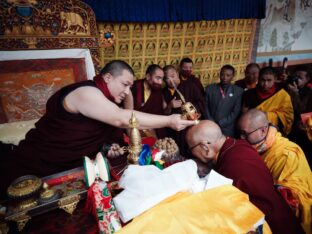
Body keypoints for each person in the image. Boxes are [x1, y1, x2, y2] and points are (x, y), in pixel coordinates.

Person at [0, 60, 196, 198]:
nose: (128, 91)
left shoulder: (106, 102)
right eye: (125, 84)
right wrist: (169, 120)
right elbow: (122, 119)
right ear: (108, 77)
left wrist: (106, 147)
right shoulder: (86, 92)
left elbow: (113, 127)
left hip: (71, 168)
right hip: (36, 161)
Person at [185, 120, 304, 234]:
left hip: (273, 225)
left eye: (192, 149)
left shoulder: (229, 169)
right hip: (282, 211)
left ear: (205, 147)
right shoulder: (239, 144)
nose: (193, 154)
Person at [237, 109, 312, 233]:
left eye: (245, 134)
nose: (241, 137)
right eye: (240, 133)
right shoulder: (258, 147)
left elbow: (293, 197)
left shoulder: (286, 154)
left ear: (263, 131)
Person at [162, 65, 207, 156]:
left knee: (193, 151)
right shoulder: (164, 92)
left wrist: (190, 108)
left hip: (191, 126)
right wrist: (170, 105)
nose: (171, 80)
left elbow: (201, 103)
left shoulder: (190, 86)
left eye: (173, 76)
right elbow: (164, 113)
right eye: (167, 78)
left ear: (178, 74)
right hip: (175, 130)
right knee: (177, 153)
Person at [242, 66, 294, 136]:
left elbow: (288, 117)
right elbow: (245, 113)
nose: (265, 84)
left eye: (269, 80)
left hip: (274, 131)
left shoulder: (283, 95)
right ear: (259, 79)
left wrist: (265, 115)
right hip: (253, 131)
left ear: (275, 79)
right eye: (262, 80)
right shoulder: (249, 93)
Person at [124, 64, 166, 138]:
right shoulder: (134, 87)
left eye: (162, 79)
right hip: (134, 125)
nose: (160, 82)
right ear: (148, 76)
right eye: (158, 78)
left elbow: (159, 112)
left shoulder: (158, 91)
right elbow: (127, 114)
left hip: (151, 126)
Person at [205, 64, 243, 137]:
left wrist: (221, 123)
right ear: (219, 75)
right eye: (222, 74)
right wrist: (211, 121)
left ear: (232, 77)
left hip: (228, 129)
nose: (224, 77)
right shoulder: (210, 89)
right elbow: (205, 106)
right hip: (210, 125)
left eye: (228, 75)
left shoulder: (238, 91)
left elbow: (235, 112)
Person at [286, 65, 312, 167]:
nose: (297, 80)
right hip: (289, 127)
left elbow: (302, 112)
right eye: (295, 76)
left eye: (300, 78)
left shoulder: (309, 93)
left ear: (307, 79)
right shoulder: (288, 87)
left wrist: (295, 93)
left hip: (303, 131)